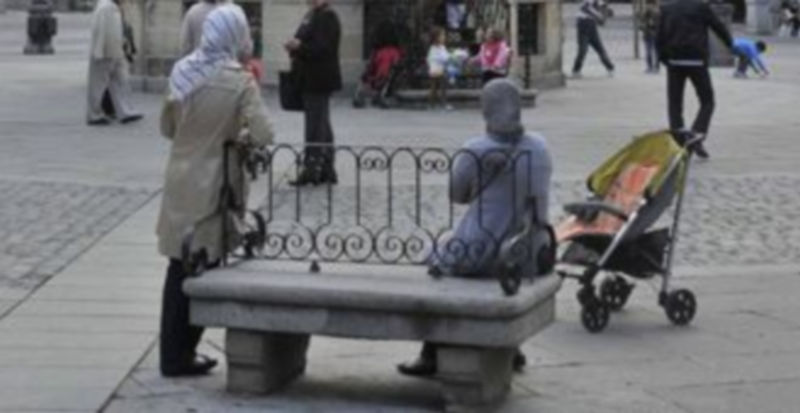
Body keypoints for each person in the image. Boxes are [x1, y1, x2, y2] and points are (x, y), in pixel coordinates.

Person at [397, 78, 553, 378]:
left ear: (486, 110)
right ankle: (511, 347)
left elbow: (457, 195)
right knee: (454, 255)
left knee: (438, 261)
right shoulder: (540, 147)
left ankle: (432, 351)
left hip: (483, 253)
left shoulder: (476, 149)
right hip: (531, 253)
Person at [156, 4, 274, 377]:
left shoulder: (183, 70)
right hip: (213, 186)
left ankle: (173, 354)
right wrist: (236, 135)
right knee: (202, 268)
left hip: (179, 179)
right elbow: (264, 134)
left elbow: (168, 128)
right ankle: (181, 354)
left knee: (178, 267)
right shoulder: (239, 81)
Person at [656, 0, 733, 159]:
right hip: (697, 60)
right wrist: (731, 45)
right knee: (707, 101)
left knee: (675, 104)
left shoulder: (666, 9)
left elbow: (659, 37)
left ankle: (679, 143)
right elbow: (718, 27)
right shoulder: (701, 8)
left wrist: (664, 59)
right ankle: (697, 134)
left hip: (674, 62)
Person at [285, 0, 342, 186]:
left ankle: (313, 169)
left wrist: (298, 47)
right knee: (320, 123)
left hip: (319, 79)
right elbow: (304, 40)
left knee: (315, 126)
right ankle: (326, 168)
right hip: (309, 78)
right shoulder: (311, 15)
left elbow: (323, 48)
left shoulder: (327, 17)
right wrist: (294, 46)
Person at [86, 0, 143, 126]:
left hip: (116, 51)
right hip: (104, 52)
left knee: (121, 82)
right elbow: (99, 31)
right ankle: (94, 114)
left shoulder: (114, 7)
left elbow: (120, 29)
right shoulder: (105, 7)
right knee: (97, 85)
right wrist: (99, 52)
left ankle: (125, 111)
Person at [572, 0, 615, 78]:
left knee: (597, 48)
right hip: (584, 24)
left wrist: (604, 15)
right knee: (584, 50)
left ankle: (610, 68)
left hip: (589, 25)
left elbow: (603, 17)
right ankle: (576, 70)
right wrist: (599, 15)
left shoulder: (602, 4)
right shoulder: (592, 3)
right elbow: (587, 8)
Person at [427, 27, 452, 110]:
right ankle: (436, 104)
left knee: (439, 87)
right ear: (436, 38)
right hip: (436, 70)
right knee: (436, 88)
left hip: (439, 69)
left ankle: (436, 104)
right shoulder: (434, 48)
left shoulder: (442, 47)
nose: (444, 37)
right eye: (442, 35)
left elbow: (446, 56)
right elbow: (442, 58)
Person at [640, 0, 660, 74]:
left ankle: (653, 67)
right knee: (651, 51)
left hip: (652, 34)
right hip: (650, 34)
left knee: (653, 51)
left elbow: (657, 24)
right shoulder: (647, 12)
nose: (648, 6)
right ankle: (652, 67)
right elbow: (641, 23)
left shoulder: (655, 12)